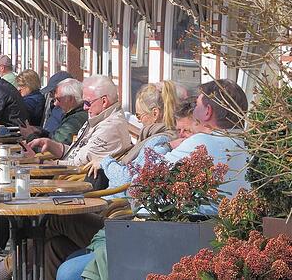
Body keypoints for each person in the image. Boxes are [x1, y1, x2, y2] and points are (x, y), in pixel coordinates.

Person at [54, 79, 250, 280]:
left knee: (68, 273)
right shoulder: (250, 149)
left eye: (198, 105)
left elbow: (138, 187)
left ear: (207, 112)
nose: (194, 110)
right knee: (64, 251)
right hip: (217, 245)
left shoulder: (198, 145)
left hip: (166, 246)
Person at [88, 81, 179, 195]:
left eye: (139, 115)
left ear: (155, 113)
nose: (139, 120)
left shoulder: (158, 142)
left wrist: (104, 161)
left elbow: (126, 178)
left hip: (116, 204)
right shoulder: (161, 137)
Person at [25, 75, 134, 166]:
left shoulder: (109, 128)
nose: (84, 107)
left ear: (104, 101)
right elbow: (76, 152)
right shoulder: (99, 117)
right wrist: (50, 144)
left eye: (87, 102)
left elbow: (77, 165)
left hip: (75, 184)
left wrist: (41, 162)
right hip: (68, 177)